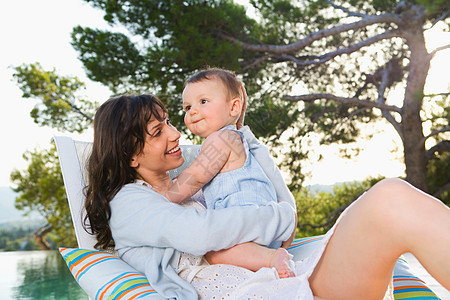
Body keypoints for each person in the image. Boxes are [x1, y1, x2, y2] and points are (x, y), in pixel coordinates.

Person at [85, 93, 450, 300]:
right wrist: (282, 217)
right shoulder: (128, 202)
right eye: (157, 130)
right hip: (259, 291)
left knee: (392, 195)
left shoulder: (183, 171)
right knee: (389, 200)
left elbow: (249, 155)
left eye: (168, 121)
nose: (176, 133)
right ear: (130, 154)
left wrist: (236, 127)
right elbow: (201, 234)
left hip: (283, 278)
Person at [151, 68, 295, 278]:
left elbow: (195, 178)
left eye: (203, 102)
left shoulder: (221, 140)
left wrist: (165, 197)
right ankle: (267, 257)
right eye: (187, 106)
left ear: (234, 106)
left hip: (248, 217)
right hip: (261, 228)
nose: (192, 111)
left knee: (213, 253)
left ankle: (272, 259)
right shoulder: (235, 139)